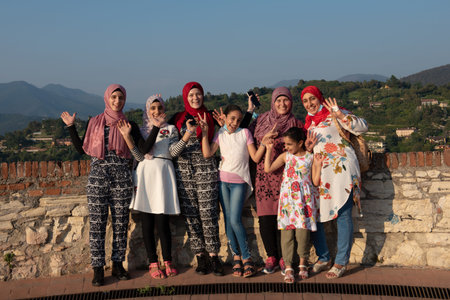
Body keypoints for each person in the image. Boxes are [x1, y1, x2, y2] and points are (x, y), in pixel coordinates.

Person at [61, 84, 152, 286]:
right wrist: (70, 126)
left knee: (121, 224)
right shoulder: (95, 122)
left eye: (121, 98)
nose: (117, 101)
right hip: (98, 180)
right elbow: (81, 149)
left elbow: (139, 156)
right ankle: (98, 269)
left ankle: (118, 264)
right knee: (97, 225)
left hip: (121, 179)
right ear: (107, 98)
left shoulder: (130, 125)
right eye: (114, 97)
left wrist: (128, 137)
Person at [117, 95, 198, 279]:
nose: (156, 112)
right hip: (145, 175)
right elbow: (140, 153)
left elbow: (173, 152)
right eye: (152, 108)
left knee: (162, 222)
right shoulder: (141, 130)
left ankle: (168, 260)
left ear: (163, 109)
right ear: (147, 110)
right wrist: (148, 129)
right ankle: (153, 263)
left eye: (159, 108)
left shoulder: (170, 129)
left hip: (163, 174)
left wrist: (186, 135)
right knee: (147, 222)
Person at [198, 104, 276, 278]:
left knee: (234, 220)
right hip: (222, 181)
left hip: (239, 181)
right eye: (232, 118)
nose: (235, 122)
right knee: (228, 221)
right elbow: (207, 153)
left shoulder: (245, 133)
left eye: (238, 120)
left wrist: (263, 144)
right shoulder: (220, 134)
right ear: (224, 117)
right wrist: (204, 133)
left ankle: (247, 258)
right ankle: (236, 258)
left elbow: (255, 157)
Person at [301, 85, 368, 279]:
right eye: (305, 101)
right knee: (317, 216)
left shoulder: (334, 113)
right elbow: (311, 151)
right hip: (322, 174)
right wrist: (308, 148)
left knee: (343, 215)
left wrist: (339, 115)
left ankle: (341, 261)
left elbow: (363, 125)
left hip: (343, 171)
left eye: (312, 99)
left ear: (319, 98)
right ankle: (323, 257)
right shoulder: (309, 124)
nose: (309, 104)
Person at [245, 87, 314, 274]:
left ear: (291, 102)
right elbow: (243, 132)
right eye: (278, 101)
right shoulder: (260, 121)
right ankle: (271, 257)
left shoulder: (297, 125)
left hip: (287, 179)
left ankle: (286, 258)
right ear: (273, 102)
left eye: (286, 100)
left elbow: (306, 149)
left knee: (284, 218)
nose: (282, 104)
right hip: (264, 176)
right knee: (266, 218)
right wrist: (250, 109)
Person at [167, 81, 225, 275]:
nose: (195, 98)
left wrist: (247, 112)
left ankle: (214, 256)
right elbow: (172, 151)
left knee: (209, 213)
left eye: (198, 94)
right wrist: (188, 133)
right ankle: (200, 257)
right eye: (191, 95)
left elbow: (229, 133)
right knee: (192, 216)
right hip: (184, 173)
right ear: (185, 96)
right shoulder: (177, 119)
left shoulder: (211, 116)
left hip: (206, 169)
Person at [264, 127, 322, 283]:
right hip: (288, 202)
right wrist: (269, 150)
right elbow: (268, 168)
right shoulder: (286, 157)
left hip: (304, 201)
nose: (286, 147)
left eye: (289, 144)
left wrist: (319, 165)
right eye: (285, 144)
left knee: (303, 234)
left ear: (300, 143)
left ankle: (303, 263)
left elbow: (315, 181)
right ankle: (288, 266)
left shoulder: (310, 158)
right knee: (287, 235)